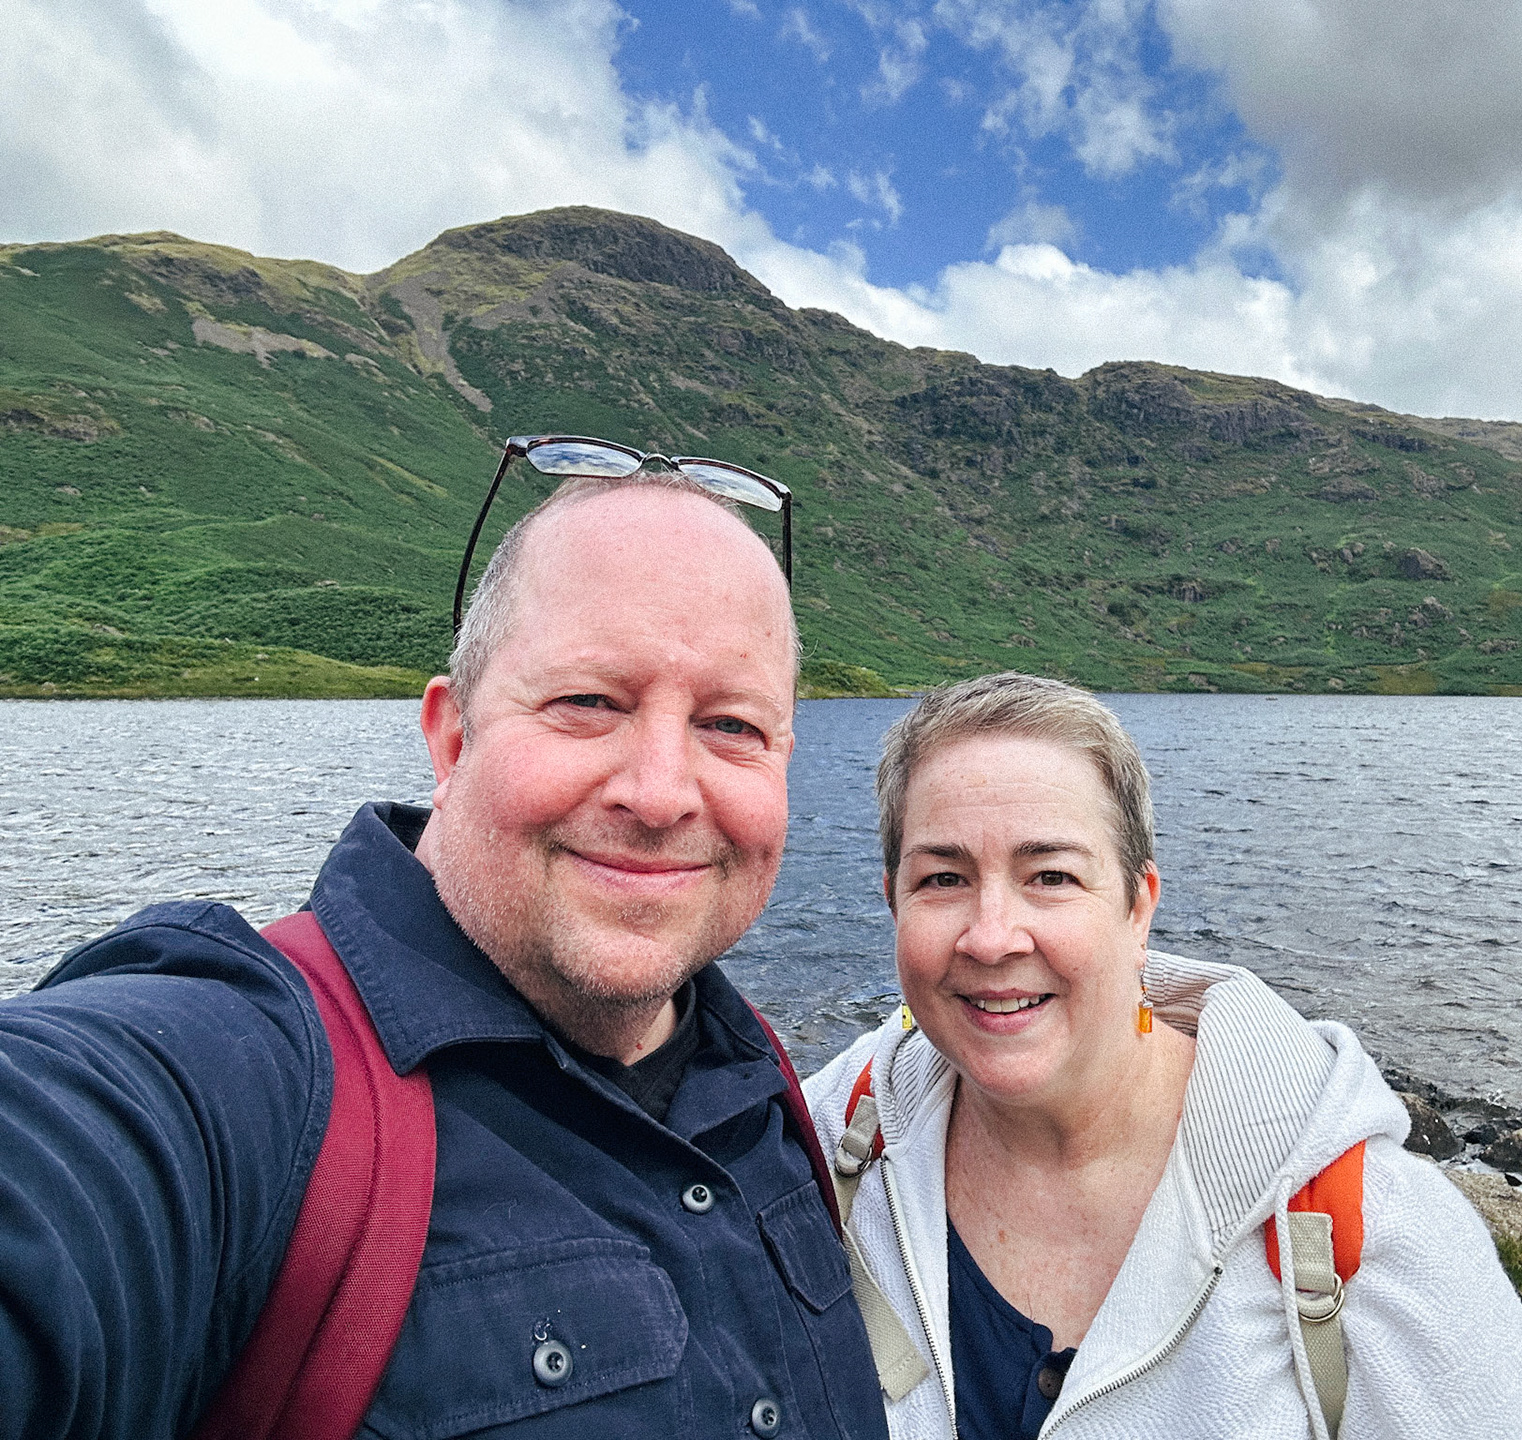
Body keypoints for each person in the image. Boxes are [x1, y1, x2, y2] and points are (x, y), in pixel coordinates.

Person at [0, 470, 888, 1440]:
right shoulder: (242, 1069)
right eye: (589, 701)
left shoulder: (761, 1081)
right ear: (453, 737)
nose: (663, 792)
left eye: (732, 725)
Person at [806, 673, 1522, 1439]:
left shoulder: (1368, 1226)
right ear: (893, 900)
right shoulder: (823, 1145)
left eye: (1051, 876)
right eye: (943, 878)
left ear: (1139, 909)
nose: (992, 935)